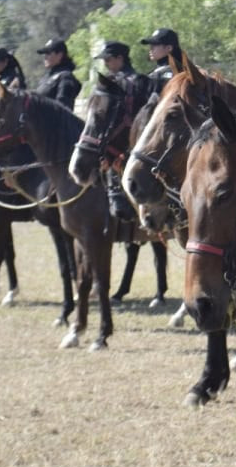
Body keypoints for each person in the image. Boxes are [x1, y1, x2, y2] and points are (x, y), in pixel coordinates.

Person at [95, 41, 167, 307]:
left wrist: (122, 154)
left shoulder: (137, 81)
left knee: (150, 223)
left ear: (119, 58)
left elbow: (139, 121)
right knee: (128, 232)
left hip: (132, 156)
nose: (105, 63)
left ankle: (160, 288)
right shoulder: (112, 81)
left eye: (108, 58)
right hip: (115, 157)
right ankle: (119, 284)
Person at [34, 38, 81, 110]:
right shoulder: (47, 77)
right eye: (44, 54)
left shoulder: (65, 77)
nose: (45, 57)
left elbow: (63, 109)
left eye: (48, 53)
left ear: (59, 55)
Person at [139, 27, 183, 98]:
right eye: (150, 45)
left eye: (154, 45)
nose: (150, 48)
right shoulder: (156, 72)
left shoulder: (176, 72)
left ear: (169, 48)